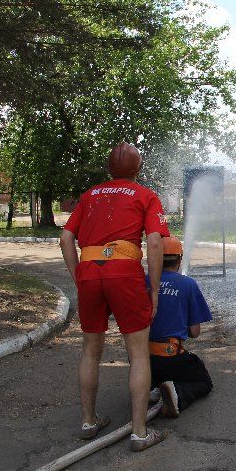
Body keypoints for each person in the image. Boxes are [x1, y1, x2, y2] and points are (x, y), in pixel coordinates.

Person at [60, 141, 169, 452]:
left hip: (90, 273)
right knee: (137, 352)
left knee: (91, 350)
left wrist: (79, 277)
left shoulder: (89, 195)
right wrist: (155, 287)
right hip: (125, 273)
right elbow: (155, 242)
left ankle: (88, 421)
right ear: (138, 168)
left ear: (109, 169)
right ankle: (139, 432)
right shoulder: (145, 195)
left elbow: (66, 238)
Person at [146, 236, 213, 418]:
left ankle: (153, 387)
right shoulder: (187, 284)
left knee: (155, 367)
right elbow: (194, 332)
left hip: (143, 360)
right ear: (180, 259)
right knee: (203, 381)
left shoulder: (144, 282)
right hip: (170, 357)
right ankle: (177, 395)